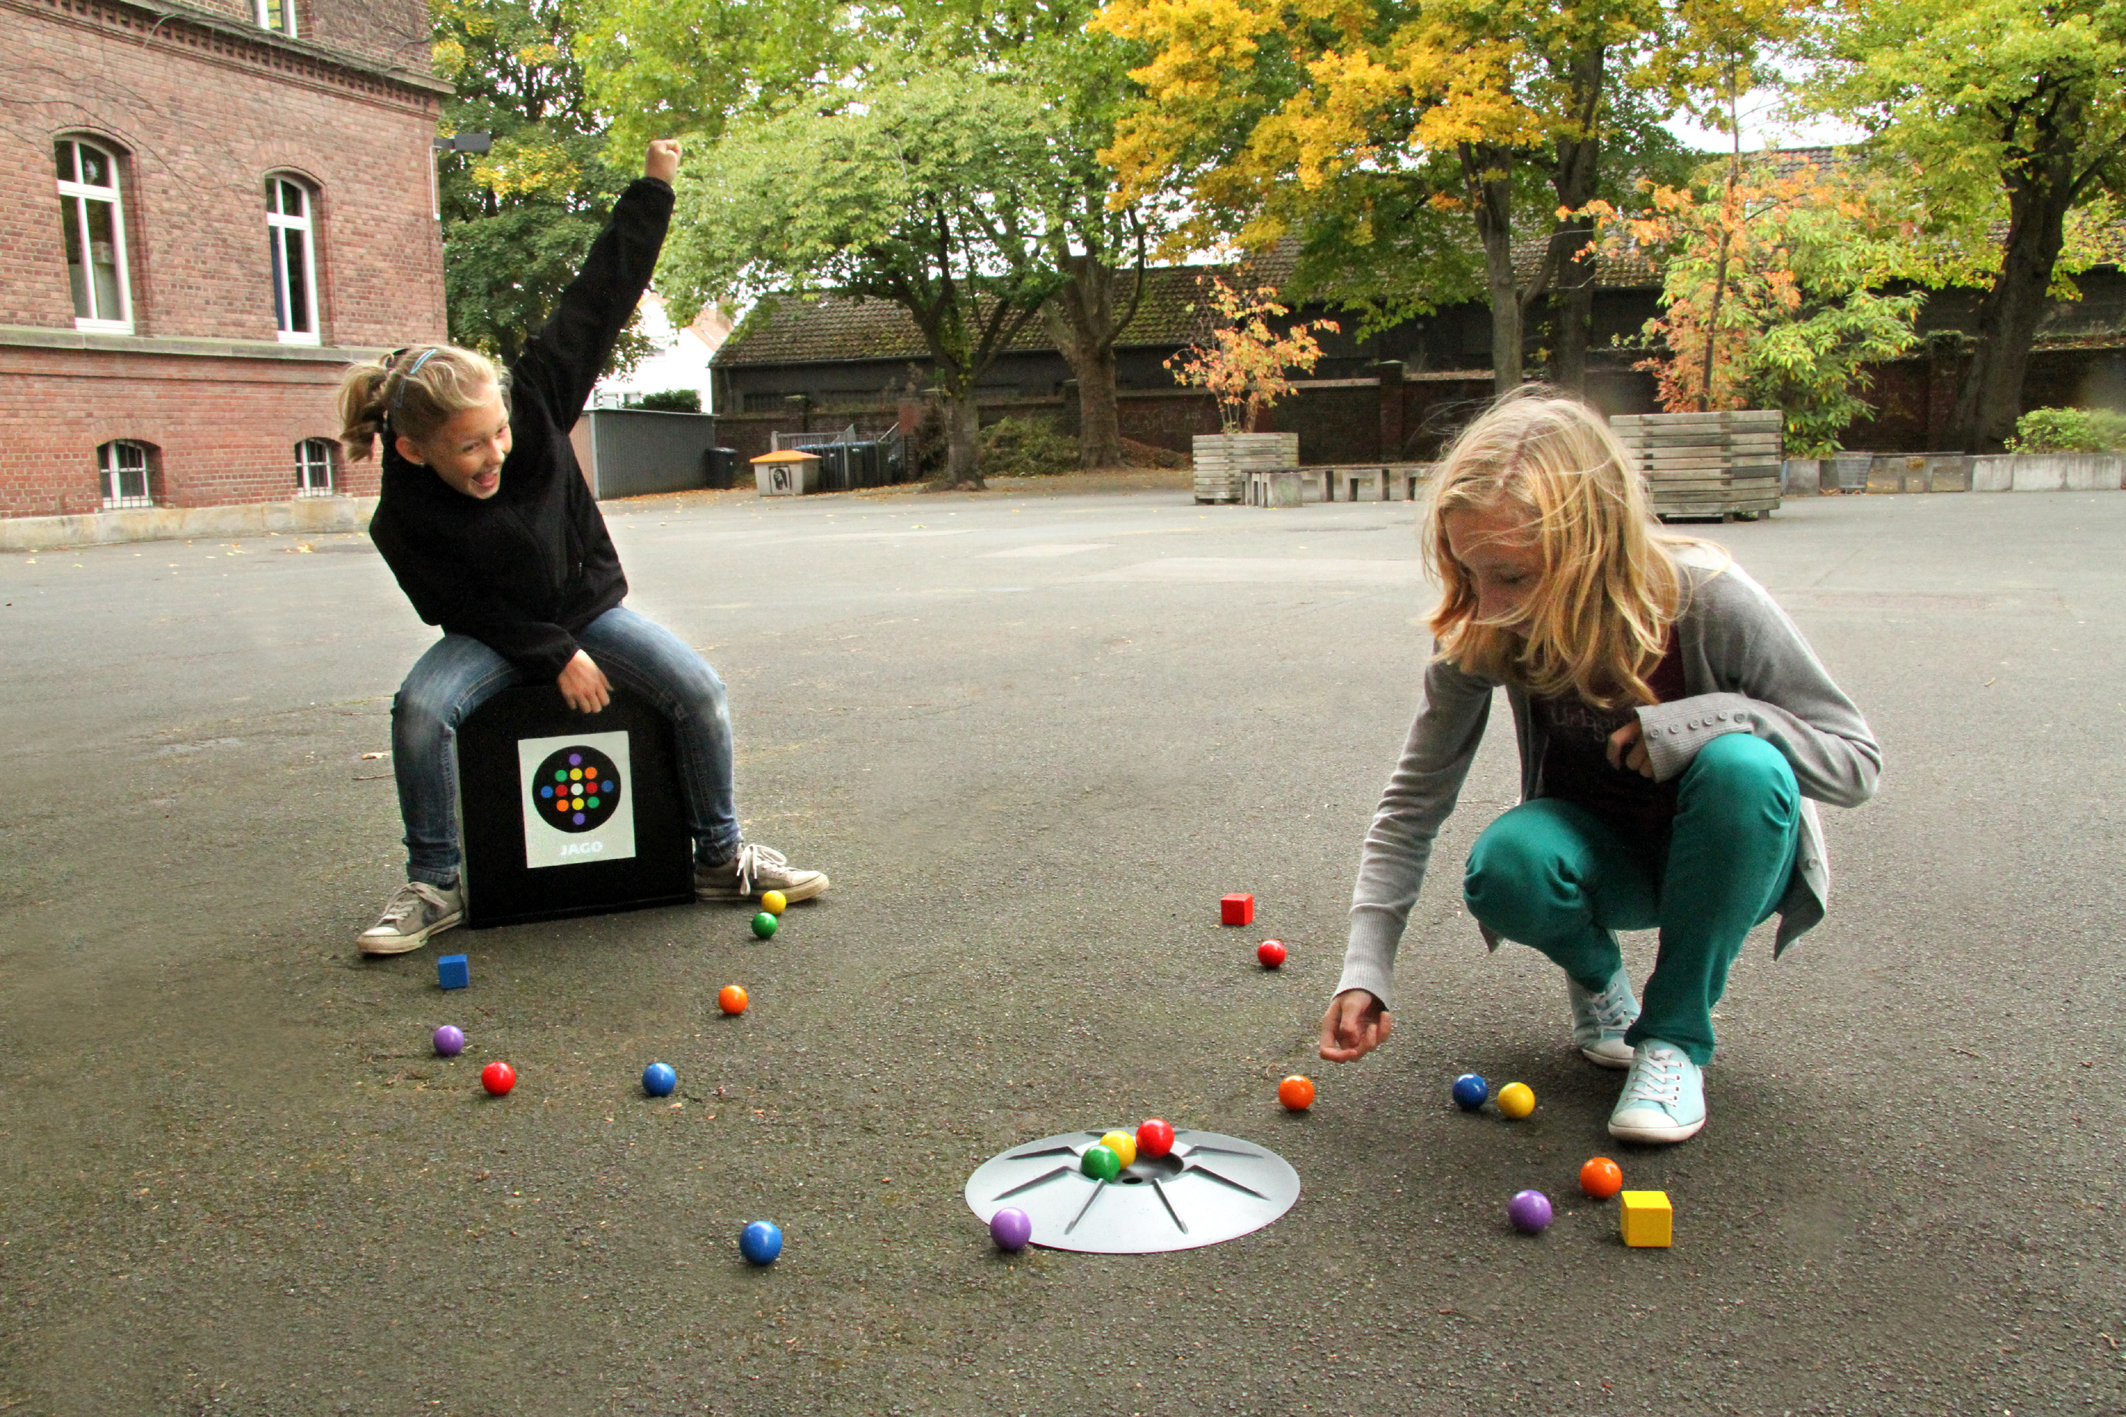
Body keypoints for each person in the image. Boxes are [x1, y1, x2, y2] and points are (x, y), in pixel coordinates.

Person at [1317, 392, 1879, 1143]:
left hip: (1727, 853)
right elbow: (1413, 801)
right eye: (1469, 569)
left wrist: (1714, 717)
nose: (1487, 603)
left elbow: (1856, 763)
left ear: (1593, 549)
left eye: (1513, 575)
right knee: (1507, 866)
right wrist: (1366, 968)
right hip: (1600, 862)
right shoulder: (1488, 623)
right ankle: (1599, 980)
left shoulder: (1708, 600)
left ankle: (1675, 1038)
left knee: (1745, 767)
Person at [338, 138, 826, 956]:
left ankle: (718, 856)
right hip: (496, 632)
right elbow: (457, 606)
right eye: (470, 449)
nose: (495, 455)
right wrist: (551, 652)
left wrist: (655, 189)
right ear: (417, 451)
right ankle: (434, 882)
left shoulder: (532, 401)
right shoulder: (402, 517)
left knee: (699, 690)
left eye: (498, 434)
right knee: (422, 709)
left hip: (587, 606)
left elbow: (604, 291)